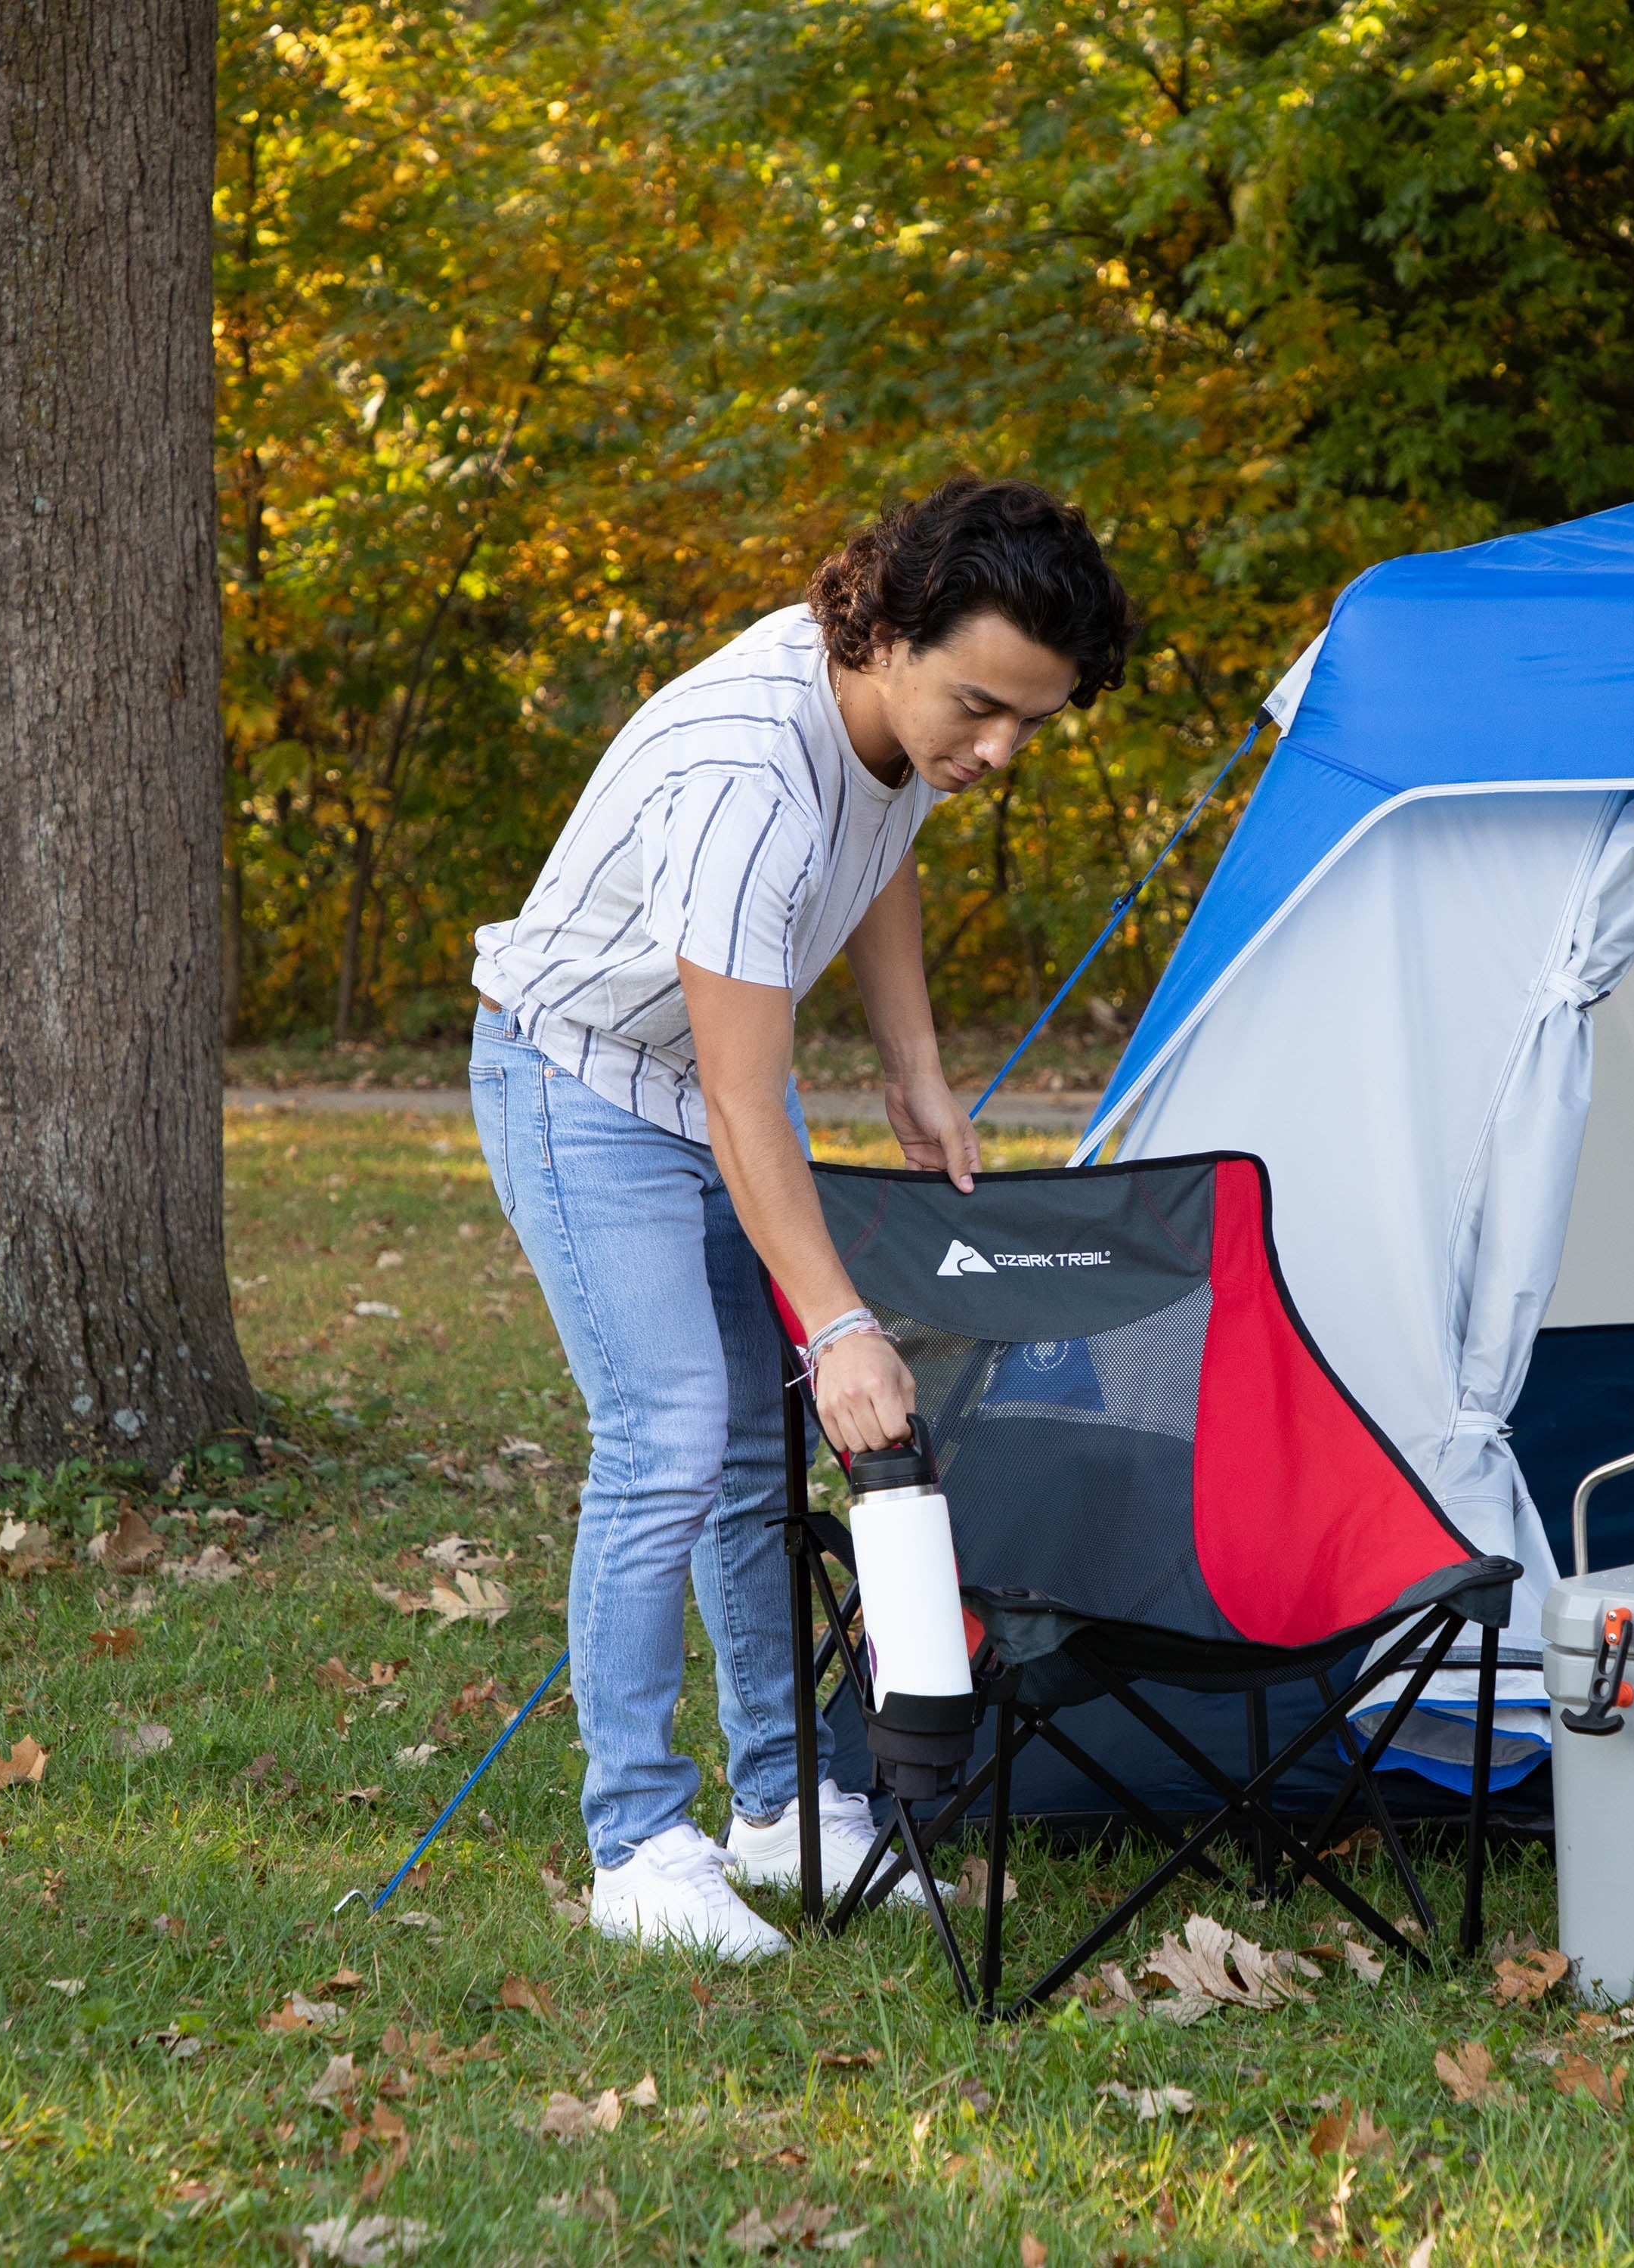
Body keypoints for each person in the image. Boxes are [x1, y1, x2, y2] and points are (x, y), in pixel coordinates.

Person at [469, 479, 1137, 1960]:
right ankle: (637, 1844)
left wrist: (914, 1067)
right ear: (889, 632)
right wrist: (840, 1328)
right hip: (581, 1080)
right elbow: (741, 1101)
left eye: (1031, 722)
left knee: (758, 1455)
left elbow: (881, 841)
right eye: (981, 708)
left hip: (704, 1082)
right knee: (667, 1434)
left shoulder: (894, 717)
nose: (998, 751)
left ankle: (780, 1806)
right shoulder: (743, 780)